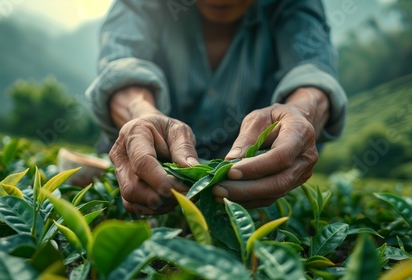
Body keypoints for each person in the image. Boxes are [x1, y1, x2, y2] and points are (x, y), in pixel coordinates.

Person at [85, 0, 347, 215]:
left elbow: (312, 71)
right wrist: (142, 115)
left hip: (251, 192)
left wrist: (300, 113)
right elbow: (120, 65)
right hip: (146, 173)